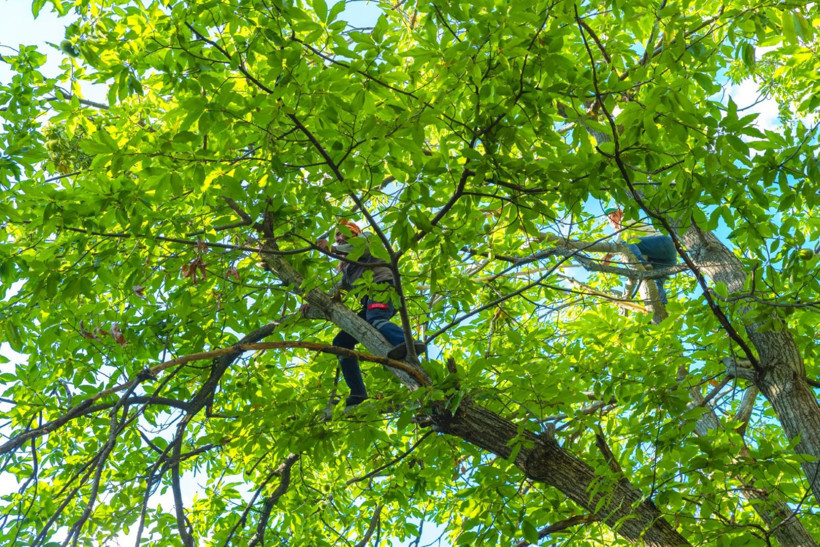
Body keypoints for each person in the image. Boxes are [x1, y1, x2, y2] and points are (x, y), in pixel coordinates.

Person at [301, 220, 424, 408]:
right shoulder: (347, 267)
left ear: (355, 232)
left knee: (376, 319)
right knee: (341, 342)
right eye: (337, 236)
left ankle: (406, 343)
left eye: (344, 234)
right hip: (369, 302)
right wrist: (311, 301)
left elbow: (364, 249)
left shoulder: (366, 239)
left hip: (382, 288)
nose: (340, 238)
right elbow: (336, 288)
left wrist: (332, 248)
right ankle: (358, 393)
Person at [603, 207, 677, 304]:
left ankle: (642, 264)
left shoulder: (626, 220)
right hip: (662, 259)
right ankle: (662, 307)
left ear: (621, 215)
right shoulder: (623, 234)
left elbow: (621, 240)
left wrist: (608, 256)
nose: (612, 220)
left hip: (662, 243)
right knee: (655, 283)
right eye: (609, 219)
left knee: (626, 243)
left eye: (614, 216)